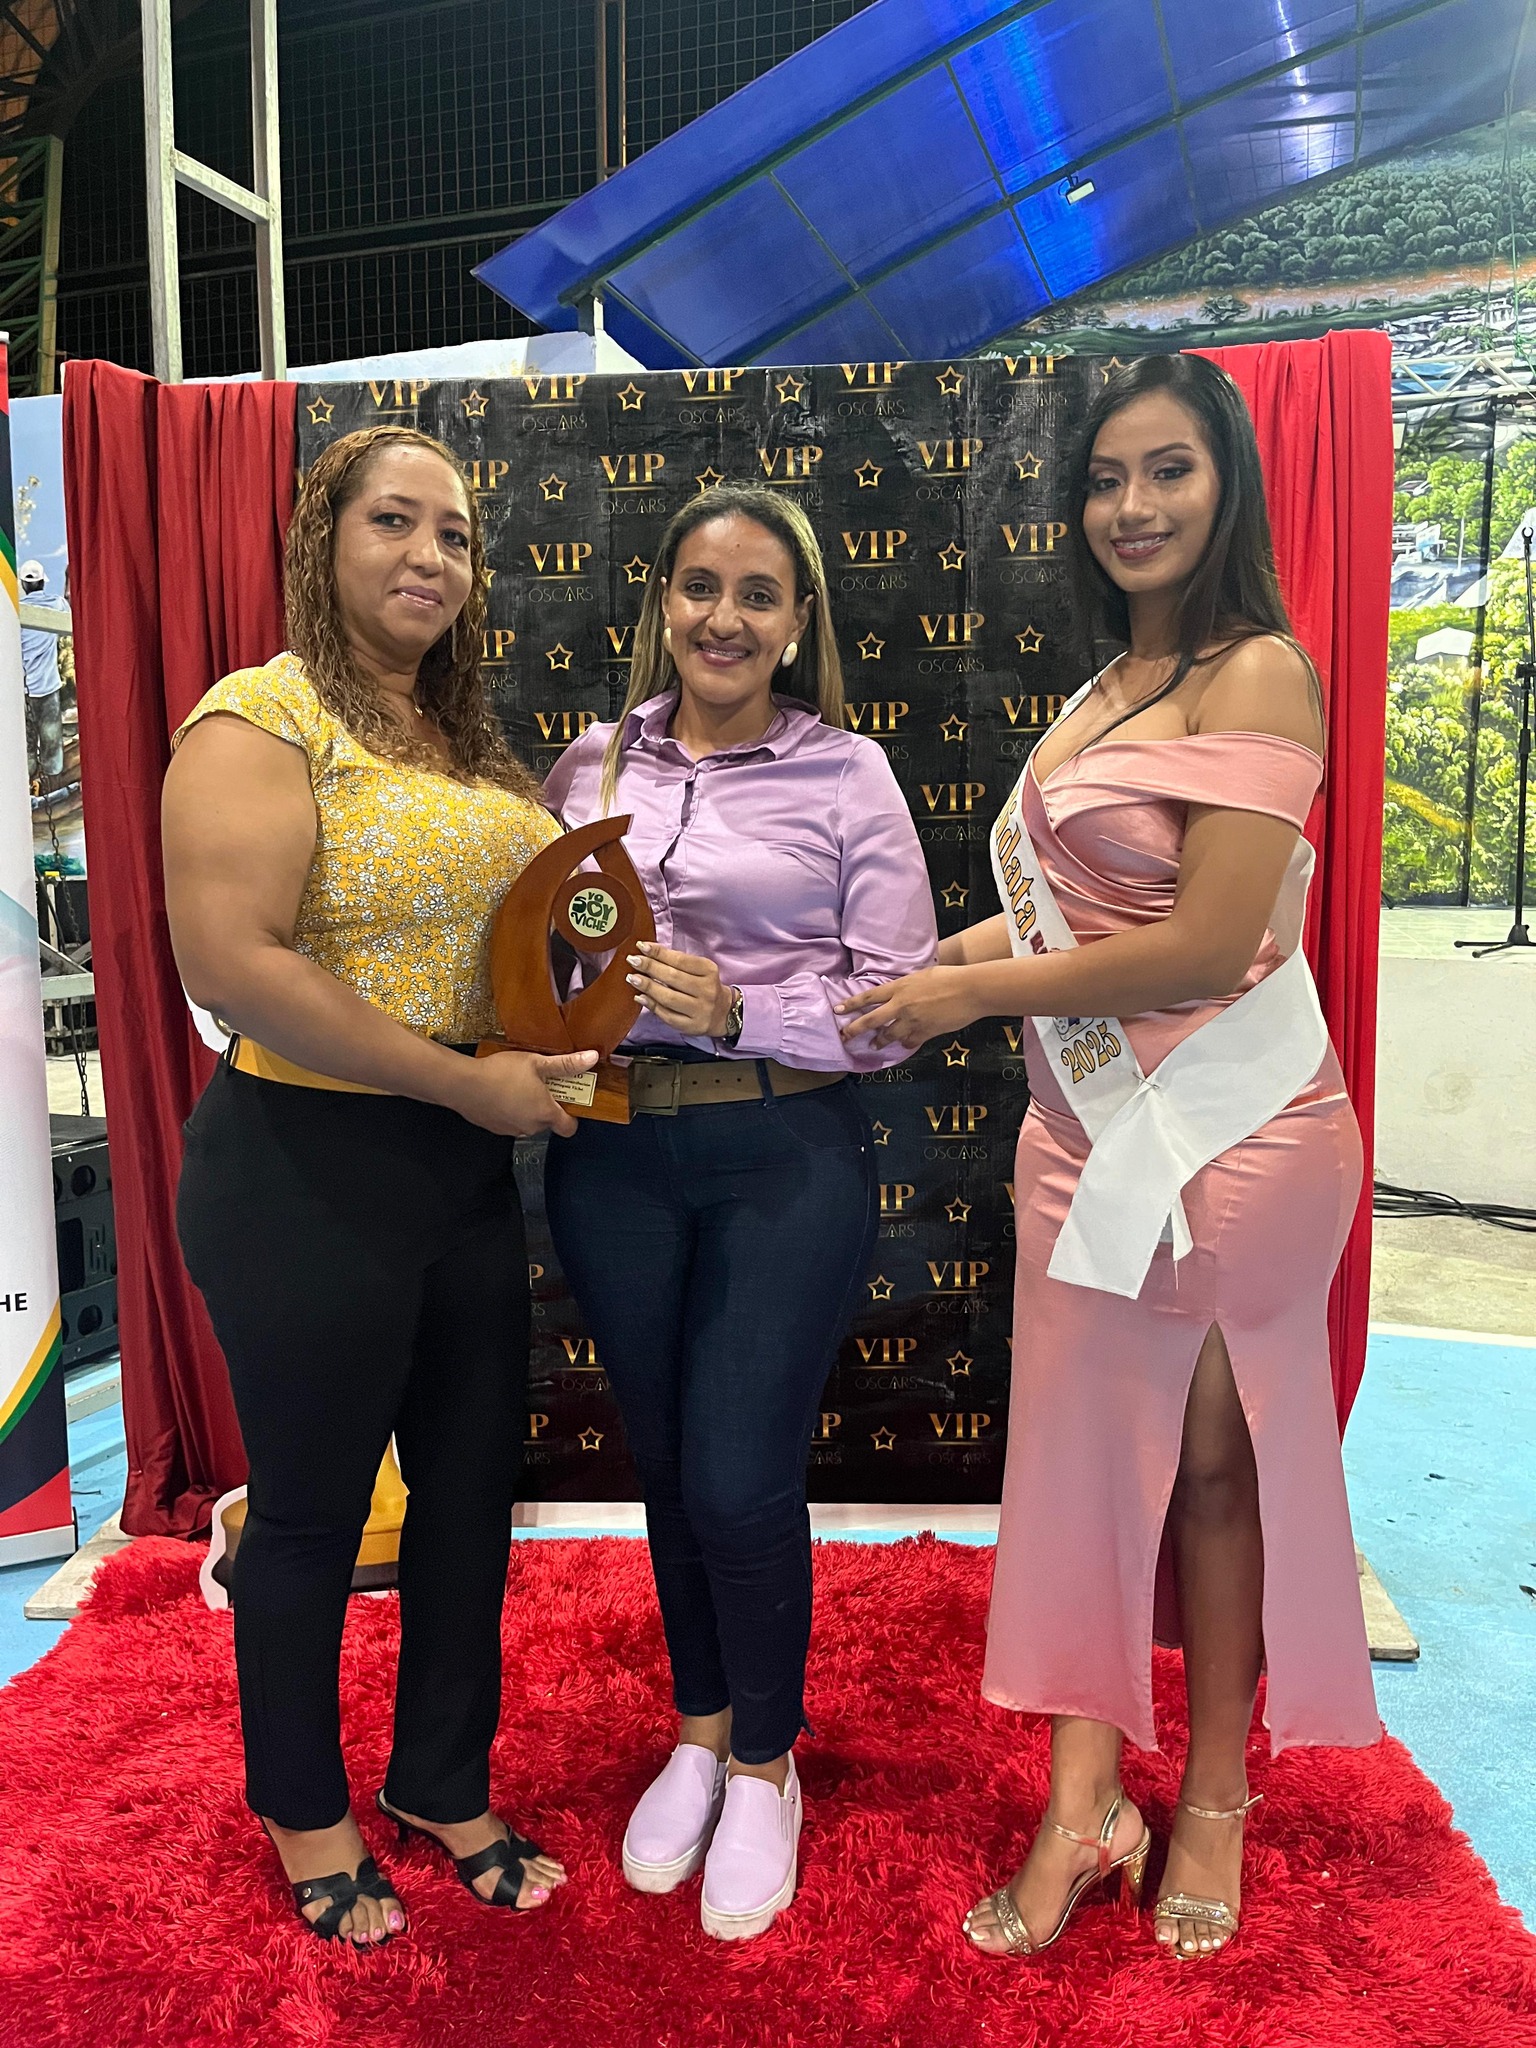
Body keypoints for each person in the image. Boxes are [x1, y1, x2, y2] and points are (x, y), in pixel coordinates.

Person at [839, 355, 1380, 1962]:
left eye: (1169, 471)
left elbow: (1207, 945)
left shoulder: (1258, 672)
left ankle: (1212, 1793)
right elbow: (1070, 917)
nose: (1132, 507)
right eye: (1105, 480)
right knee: (1078, 1467)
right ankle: (1084, 1809)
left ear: (1229, 485)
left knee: (1212, 1470)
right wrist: (934, 958)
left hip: (1236, 1127)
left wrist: (967, 996)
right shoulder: (1105, 691)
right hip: (1082, 1132)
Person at [164, 425, 590, 1949]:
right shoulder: (261, 717)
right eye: (394, 521)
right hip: (305, 1170)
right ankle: (305, 1809)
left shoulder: (467, 744)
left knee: (469, 1504)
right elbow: (236, 964)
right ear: (322, 540)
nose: (429, 555)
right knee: (314, 1518)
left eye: (455, 534)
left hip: (462, 1176)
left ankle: (439, 1780)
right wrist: (466, 1082)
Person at [541, 484, 936, 1941]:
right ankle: (700, 1733)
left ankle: (770, 1765)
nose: (724, 617)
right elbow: (544, 948)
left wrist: (738, 1010)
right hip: (611, 1155)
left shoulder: (848, 773)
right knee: (663, 1460)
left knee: (739, 1476)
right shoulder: (591, 763)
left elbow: (896, 1003)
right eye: (699, 587)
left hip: (783, 1150)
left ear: (798, 619)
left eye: (758, 594)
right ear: (662, 601)